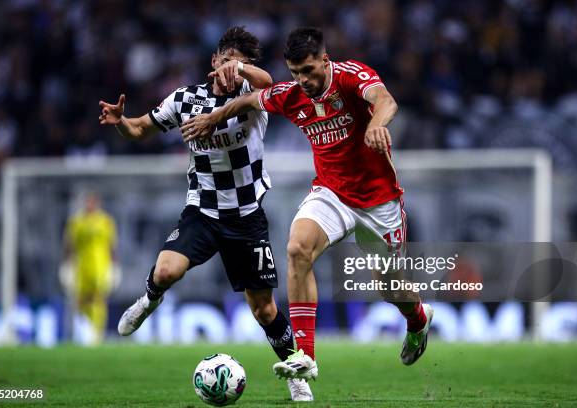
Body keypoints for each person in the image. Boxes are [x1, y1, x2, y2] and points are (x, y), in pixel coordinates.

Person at [181, 27, 434, 384]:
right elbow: (249, 101)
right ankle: (306, 358)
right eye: (296, 72)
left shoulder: (350, 77)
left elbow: (386, 100)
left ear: (325, 61)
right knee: (297, 248)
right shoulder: (291, 94)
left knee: (390, 288)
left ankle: (418, 319)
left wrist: (376, 124)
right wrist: (213, 117)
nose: (303, 80)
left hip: (379, 201)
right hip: (331, 193)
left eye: (309, 71)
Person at [98, 27, 313, 401]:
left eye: (241, 62)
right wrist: (122, 123)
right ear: (214, 61)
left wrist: (243, 71)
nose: (233, 67)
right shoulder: (184, 99)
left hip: (247, 216)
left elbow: (267, 81)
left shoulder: (251, 95)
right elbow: (140, 129)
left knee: (264, 310)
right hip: (203, 210)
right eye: (227, 60)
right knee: (166, 270)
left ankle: (295, 371)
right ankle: (149, 300)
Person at [63, 192, 118, 344]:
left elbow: (111, 245)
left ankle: (96, 333)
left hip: (101, 265)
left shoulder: (105, 221)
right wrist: (66, 265)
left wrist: (114, 266)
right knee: (80, 300)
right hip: (81, 266)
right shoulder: (76, 222)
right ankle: (81, 330)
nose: (90, 205)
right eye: (88, 202)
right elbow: (69, 245)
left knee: (98, 299)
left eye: (93, 202)